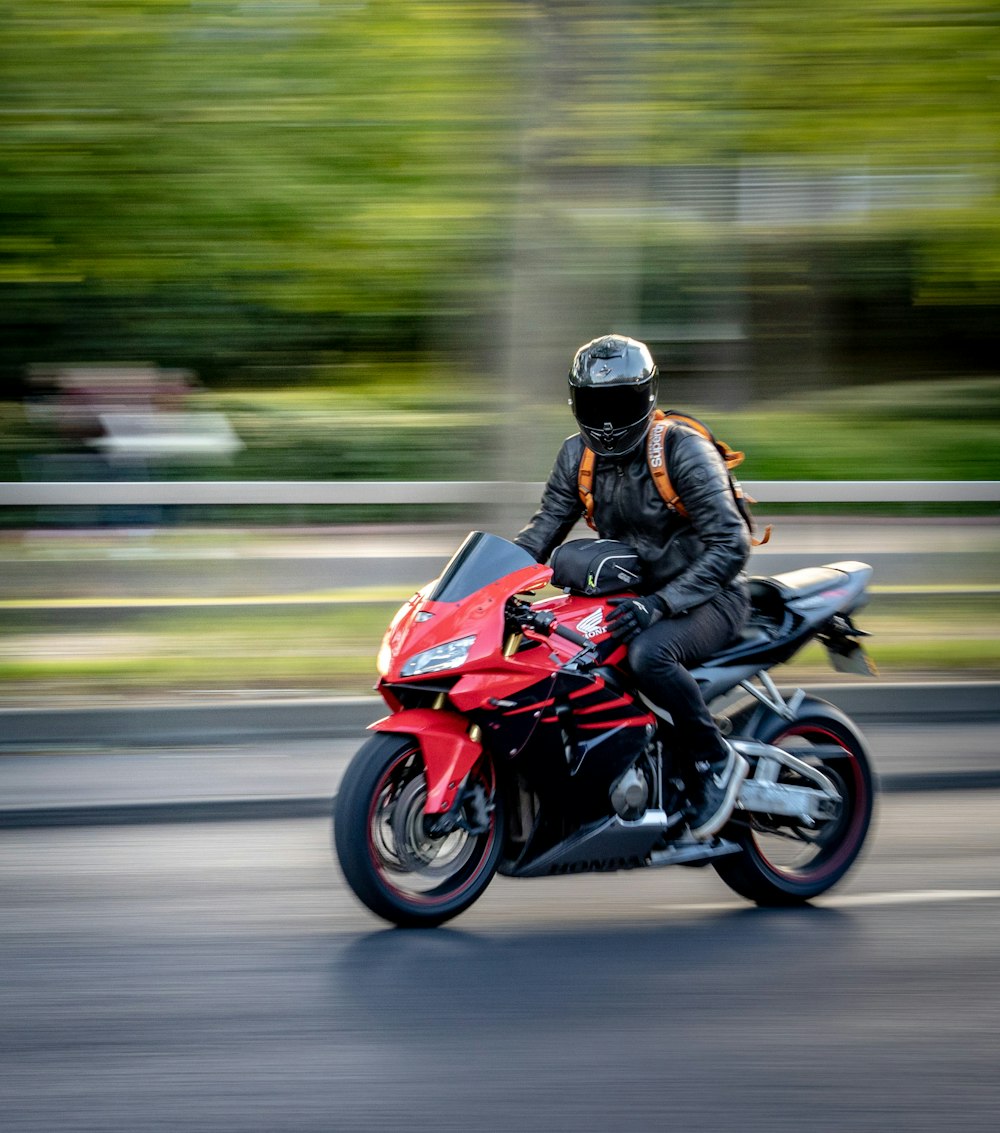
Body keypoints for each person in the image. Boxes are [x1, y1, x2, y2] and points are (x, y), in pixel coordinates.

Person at [514, 333, 752, 840]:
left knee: (649, 657)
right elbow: (540, 532)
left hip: (710, 596)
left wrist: (660, 605)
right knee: (556, 653)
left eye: (618, 402)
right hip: (633, 599)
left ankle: (714, 759)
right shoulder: (576, 456)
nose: (605, 418)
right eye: (593, 403)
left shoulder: (682, 449)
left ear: (645, 398)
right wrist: (479, 590)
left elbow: (731, 545)